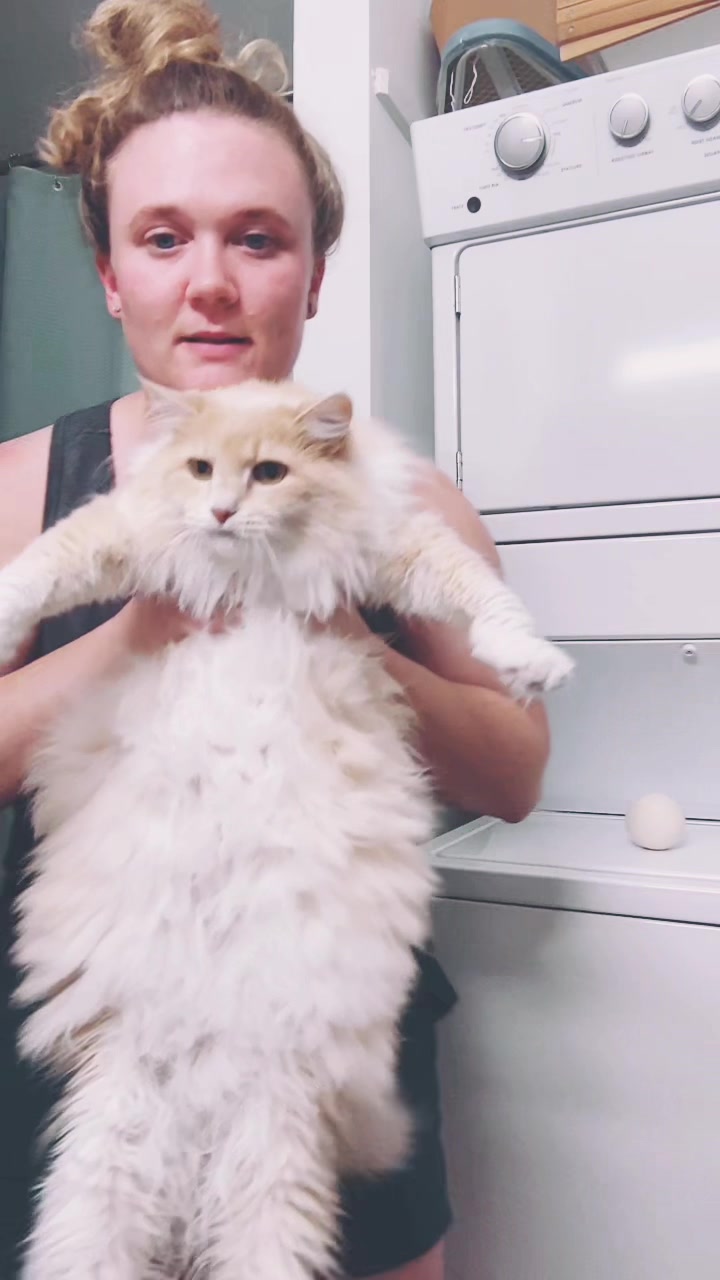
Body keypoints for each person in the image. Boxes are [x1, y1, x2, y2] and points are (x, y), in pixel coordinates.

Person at [0, 1, 550, 1275]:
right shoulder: (24, 486)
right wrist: (136, 634)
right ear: (110, 274)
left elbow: (515, 771)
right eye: (163, 237)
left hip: (331, 1031)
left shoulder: (408, 501)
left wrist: (347, 634)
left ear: (312, 274)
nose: (210, 281)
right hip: (96, 1040)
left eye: (257, 238)